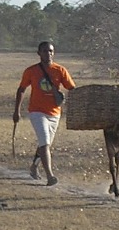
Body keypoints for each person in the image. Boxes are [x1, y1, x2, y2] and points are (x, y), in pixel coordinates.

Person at [12, 41, 75, 187]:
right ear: (39, 53)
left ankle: (34, 166)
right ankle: (50, 176)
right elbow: (21, 89)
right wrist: (17, 111)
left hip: (54, 113)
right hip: (37, 112)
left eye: (51, 51)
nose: (49, 54)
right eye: (45, 51)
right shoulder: (31, 71)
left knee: (45, 144)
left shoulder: (60, 70)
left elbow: (72, 88)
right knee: (45, 142)